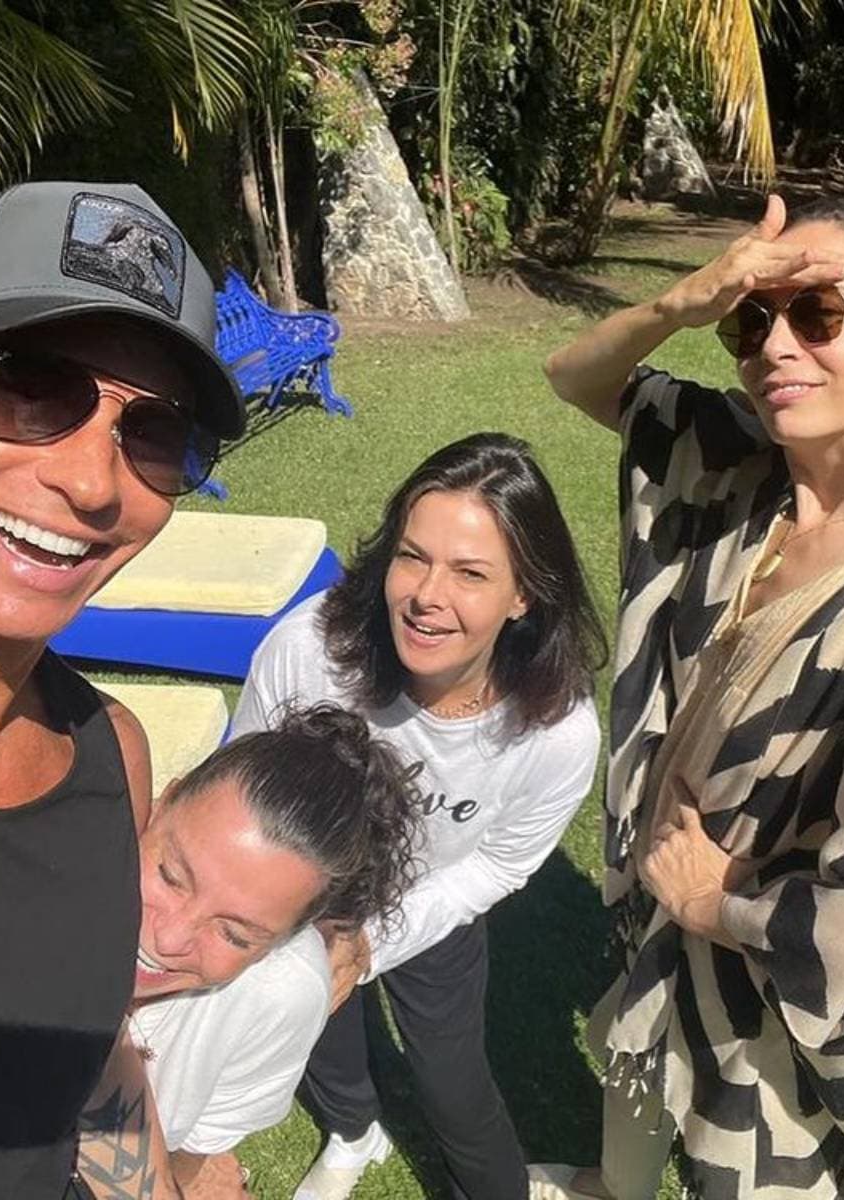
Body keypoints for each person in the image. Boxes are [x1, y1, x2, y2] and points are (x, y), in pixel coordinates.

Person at [528, 195, 844, 1200]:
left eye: (818, 313)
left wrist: (715, 902)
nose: (774, 346)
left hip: (771, 1008)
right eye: (752, 322)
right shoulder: (740, 477)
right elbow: (574, 374)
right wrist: (687, 300)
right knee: (639, 1095)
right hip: (663, 925)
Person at [0, 181, 244, 1200]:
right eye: (30, 387)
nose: (92, 481)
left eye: (154, 434)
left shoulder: (112, 752)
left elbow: (92, 1049)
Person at [231, 432, 607, 1200]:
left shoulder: (556, 732)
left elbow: (499, 863)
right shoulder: (311, 650)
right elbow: (247, 782)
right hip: (304, 894)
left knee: (452, 1078)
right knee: (318, 1023)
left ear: (524, 595)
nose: (427, 596)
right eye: (413, 557)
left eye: (471, 573)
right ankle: (352, 1130)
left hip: (432, 898)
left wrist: (371, 942)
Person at [128, 703, 419, 1200]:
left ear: (288, 938)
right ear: (162, 801)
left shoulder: (281, 994)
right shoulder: (37, 864)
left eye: (235, 935)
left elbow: (187, 1157)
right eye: (171, 876)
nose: (169, 939)